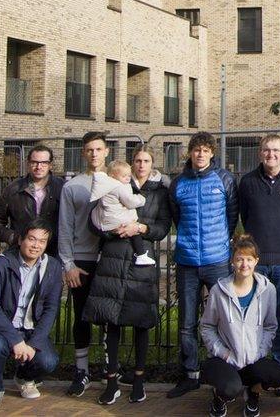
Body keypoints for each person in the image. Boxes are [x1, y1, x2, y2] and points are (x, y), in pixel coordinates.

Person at [82, 146, 172, 405]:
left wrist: (141, 227)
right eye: (137, 160)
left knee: (141, 321)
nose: (141, 164)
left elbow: (163, 226)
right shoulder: (114, 182)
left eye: (146, 161)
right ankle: (112, 381)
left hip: (141, 260)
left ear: (152, 163)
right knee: (112, 320)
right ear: (131, 163)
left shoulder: (159, 192)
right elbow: (95, 220)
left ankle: (139, 380)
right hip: (113, 255)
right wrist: (114, 230)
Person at [168, 131, 239, 398]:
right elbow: (177, 216)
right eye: (196, 150)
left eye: (206, 150)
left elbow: (232, 215)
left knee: (224, 318)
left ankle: (224, 370)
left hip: (217, 260)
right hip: (187, 261)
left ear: (212, 153)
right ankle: (189, 374)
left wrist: (220, 241)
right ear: (190, 153)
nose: (200, 154)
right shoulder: (178, 184)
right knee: (187, 322)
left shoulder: (224, 179)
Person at [0, 221, 62, 417]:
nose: (36, 245)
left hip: (30, 327)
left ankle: (24, 377)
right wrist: (16, 341)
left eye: (42, 241)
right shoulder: (1, 264)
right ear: (20, 240)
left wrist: (34, 342)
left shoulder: (52, 267)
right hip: (0, 327)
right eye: (32, 239)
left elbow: (51, 308)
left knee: (49, 361)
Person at [238, 133, 280, 396]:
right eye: (266, 150)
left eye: (276, 150)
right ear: (260, 153)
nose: (271, 155)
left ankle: (279, 373)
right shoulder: (247, 183)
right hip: (256, 264)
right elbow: (245, 216)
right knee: (252, 320)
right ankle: (254, 371)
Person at [200, 234, 280, 417]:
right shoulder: (218, 291)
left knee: (278, 377)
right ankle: (219, 396)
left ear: (256, 261)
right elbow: (207, 327)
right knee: (230, 388)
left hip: (253, 358)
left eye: (249, 259)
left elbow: (271, 326)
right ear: (232, 262)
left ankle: (252, 392)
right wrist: (223, 353)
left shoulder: (268, 290)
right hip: (226, 359)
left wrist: (260, 351)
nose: (244, 264)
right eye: (239, 259)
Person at [58, 131, 110, 396]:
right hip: (82, 259)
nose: (94, 154)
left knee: (109, 315)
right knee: (81, 316)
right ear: (83, 153)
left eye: (98, 149)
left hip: (110, 258)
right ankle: (82, 370)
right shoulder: (73, 186)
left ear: (106, 151)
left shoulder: (116, 181)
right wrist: (67, 263)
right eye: (89, 149)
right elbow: (65, 227)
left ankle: (109, 367)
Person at [0, 144, 65, 257]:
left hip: (54, 252)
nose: (39, 167)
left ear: (50, 165)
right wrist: (13, 237)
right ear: (28, 164)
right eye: (34, 162)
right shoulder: (13, 189)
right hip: (20, 252)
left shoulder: (62, 188)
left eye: (44, 163)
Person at [89, 160, 152, 266]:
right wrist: (142, 199)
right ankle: (141, 254)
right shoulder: (119, 187)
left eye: (128, 175)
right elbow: (130, 202)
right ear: (113, 176)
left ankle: (99, 253)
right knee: (134, 229)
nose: (127, 178)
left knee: (103, 239)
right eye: (124, 176)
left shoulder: (105, 186)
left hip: (105, 220)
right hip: (117, 219)